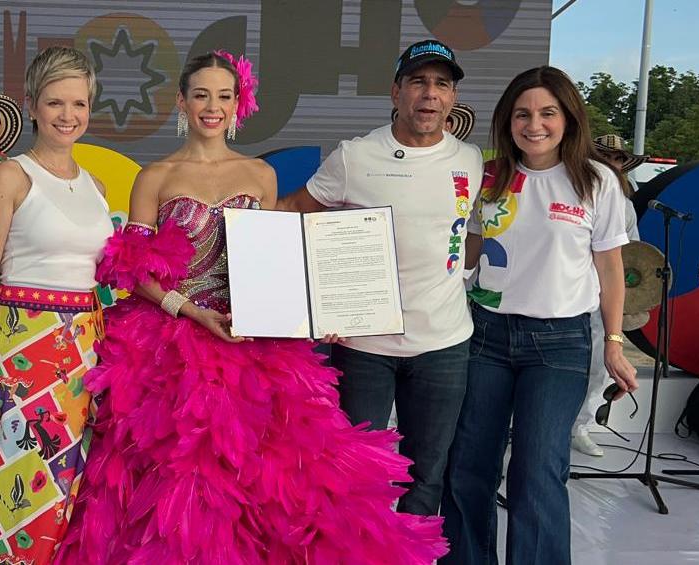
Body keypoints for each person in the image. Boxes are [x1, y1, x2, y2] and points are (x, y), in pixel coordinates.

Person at [57, 51, 447, 565]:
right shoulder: (155, 176)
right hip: (171, 350)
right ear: (181, 101)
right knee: (178, 490)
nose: (212, 107)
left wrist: (320, 308)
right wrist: (190, 311)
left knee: (278, 485)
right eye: (201, 94)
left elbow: (275, 261)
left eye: (224, 95)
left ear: (240, 104)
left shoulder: (261, 176)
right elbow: (134, 269)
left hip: (253, 348)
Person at [441, 65, 639, 565]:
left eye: (548, 113)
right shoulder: (488, 177)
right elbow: (469, 249)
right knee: (469, 466)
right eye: (522, 113)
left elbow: (611, 267)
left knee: (536, 469)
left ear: (568, 118)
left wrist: (614, 342)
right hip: (483, 336)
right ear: (507, 121)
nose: (535, 124)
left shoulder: (597, 181)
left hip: (559, 346)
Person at [279, 39, 483, 517]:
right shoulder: (355, 157)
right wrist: (313, 302)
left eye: (441, 84)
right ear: (396, 92)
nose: (429, 94)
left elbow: (467, 234)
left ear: (452, 97)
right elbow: (290, 213)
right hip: (363, 347)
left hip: (444, 345)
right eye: (418, 82)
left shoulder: (471, 161)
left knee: (426, 474)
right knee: (354, 473)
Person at [0, 46, 115, 565]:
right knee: (19, 486)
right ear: (31, 105)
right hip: (21, 352)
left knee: (72, 486)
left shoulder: (95, 186)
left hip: (84, 356)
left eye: (78, 103)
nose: (67, 115)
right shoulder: (11, 176)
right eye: (55, 103)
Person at [570, 133, 643, 457]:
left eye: (615, 159)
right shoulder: (574, 190)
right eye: (603, 157)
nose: (610, 163)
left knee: (599, 366)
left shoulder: (626, 206)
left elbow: (634, 257)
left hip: (602, 300)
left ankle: (580, 427)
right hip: (569, 295)